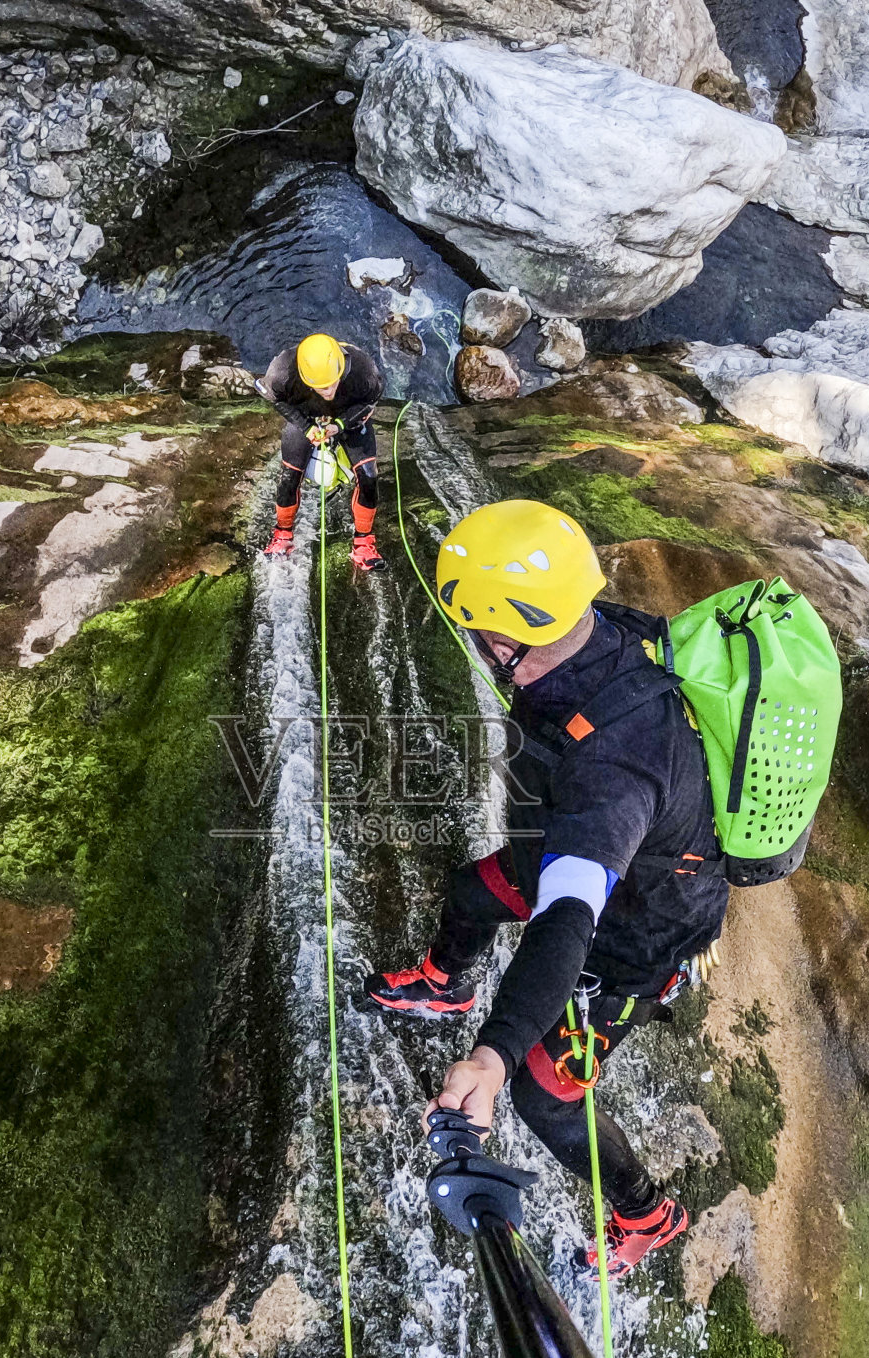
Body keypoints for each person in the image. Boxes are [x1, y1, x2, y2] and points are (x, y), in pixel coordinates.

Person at [364, 499, 728, 1278]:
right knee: (470, 892)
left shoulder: (615, 773)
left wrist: (494, 1056)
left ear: (503, 638)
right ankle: (444, 984)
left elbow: (566, 919)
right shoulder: (601, 631)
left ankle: (646, 1214)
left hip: (634, 934)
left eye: (473, 631)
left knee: (543, 1095)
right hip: (559, 855)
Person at [256, 333, 385, 571]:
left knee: (368, 476)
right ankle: (282, 535)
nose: (328, 391)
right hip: (307, 417)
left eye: (333, 382)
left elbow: (370, 401)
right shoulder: (282, 372)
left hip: (348, 418)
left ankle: (363, 543)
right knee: (289, 476)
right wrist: (306, 428)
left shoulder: (362, 370)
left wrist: (341, 425)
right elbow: (276, 399)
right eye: (321, 387)